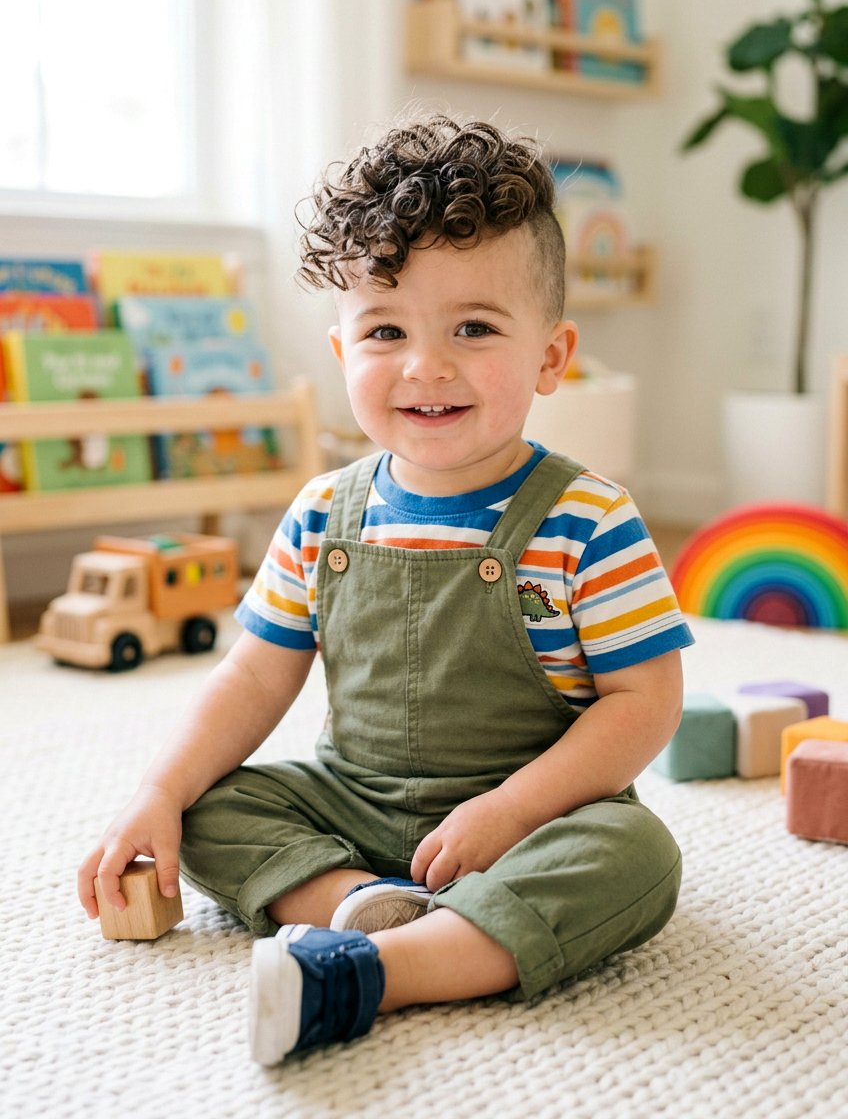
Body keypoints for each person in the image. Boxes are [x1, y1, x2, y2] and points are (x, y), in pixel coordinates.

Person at [78, 114, 694, 1066]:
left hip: (532, 813)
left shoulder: (589, 520)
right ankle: (361, 907)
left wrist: (510, 814)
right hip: (353, 802)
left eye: (474, 328)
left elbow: (644, 704)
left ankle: (380, 971)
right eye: (386, 330)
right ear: (342, 353)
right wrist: (160, 790)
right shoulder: (323, 510)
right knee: (210, 810)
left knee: (636, 858)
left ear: (551, 357)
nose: (426, 365)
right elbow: (252, 678)